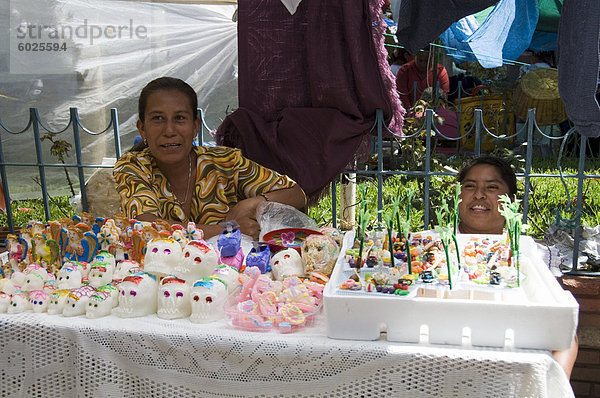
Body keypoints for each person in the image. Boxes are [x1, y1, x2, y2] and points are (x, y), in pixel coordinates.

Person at [113, 77, 307, 240]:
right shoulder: (133, 167)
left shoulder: (225, 162)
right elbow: (147, 226)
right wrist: (229, 230)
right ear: (142, 128)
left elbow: (295, 194)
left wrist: (250, 204)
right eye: (158, 118)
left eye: (179, 118)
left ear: (195, 127)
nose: (169, 131)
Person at [457, 155, 578, 379]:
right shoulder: (428, 248)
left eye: (492, 187)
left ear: (511, 201)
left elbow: (565, 332)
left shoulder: (534, 253)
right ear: (456, 196)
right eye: (469, 186)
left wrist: (555, 386)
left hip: (513, 377)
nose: (479, 195)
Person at [395, 45, 449, 110]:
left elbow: (444, 96)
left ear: (431, 58)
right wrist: (411, 113)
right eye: (420, 60)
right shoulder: (404, 71)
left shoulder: (440, 71)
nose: (423, 64)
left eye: (426, 61)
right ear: (415, 57)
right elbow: (402, 96)